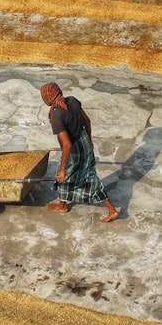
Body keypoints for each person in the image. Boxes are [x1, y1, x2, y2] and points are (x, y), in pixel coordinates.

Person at [40, 82, 118, 222]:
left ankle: (111, 210)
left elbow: (67, 145)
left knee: (64, 176)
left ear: (49, 98)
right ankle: (63, 205)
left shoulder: (57, 116)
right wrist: (88, 141)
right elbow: (87, 121)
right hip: (84, 142)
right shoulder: (72, 101)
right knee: (87, 175)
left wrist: (63, 170)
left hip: (74, 150)